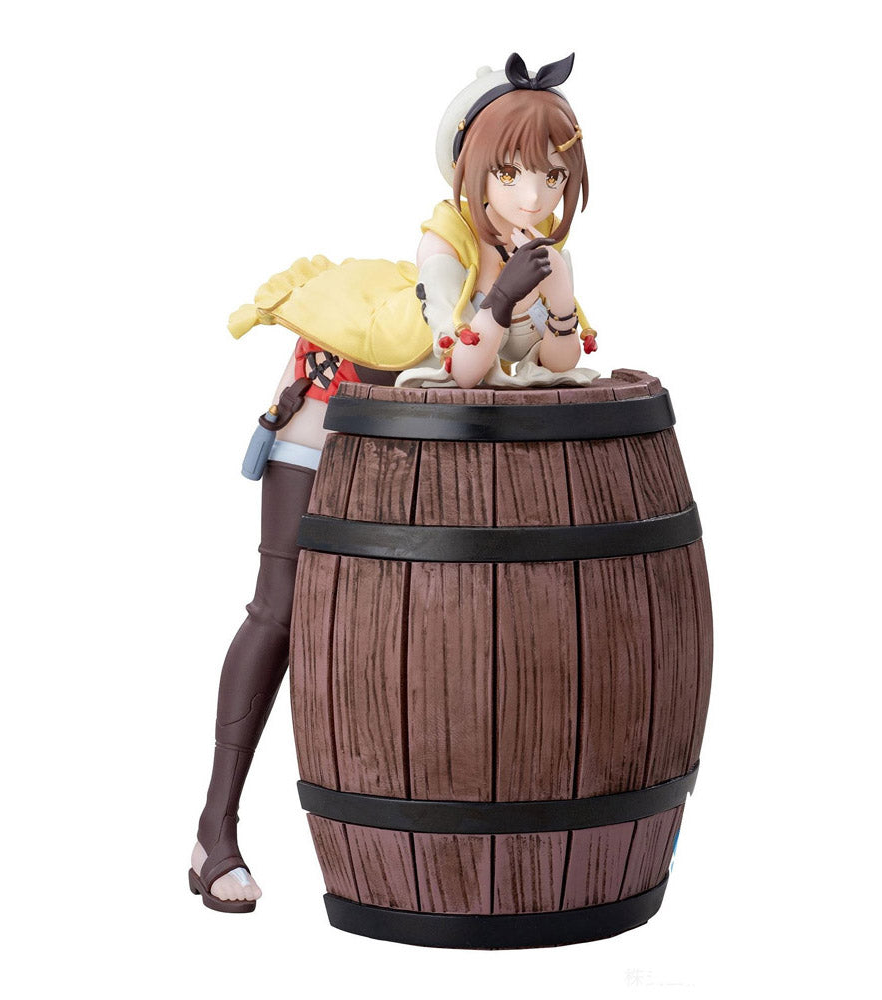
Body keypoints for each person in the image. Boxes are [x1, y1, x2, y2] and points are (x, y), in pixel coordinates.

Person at [190, 51, 601, 913]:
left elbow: (562, 357)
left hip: (406, 458)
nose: (534, 194)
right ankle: (212, 831)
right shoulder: (445, 243)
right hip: (328, 414)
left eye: (552, 175)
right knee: (281, 610)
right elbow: (460, 364)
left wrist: (558, 298)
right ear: (473, 169)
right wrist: (501, 301)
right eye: (513, 172)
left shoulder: (536, 249)